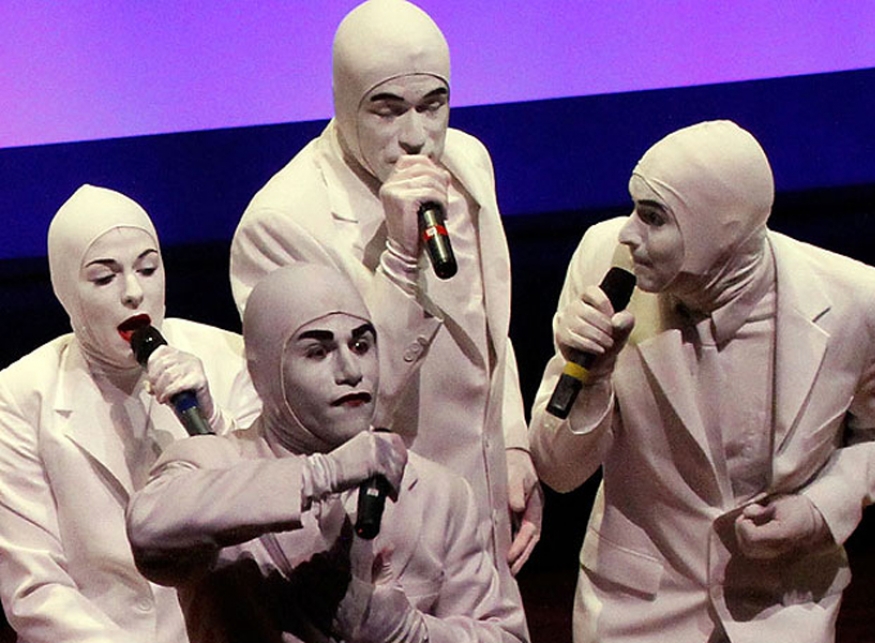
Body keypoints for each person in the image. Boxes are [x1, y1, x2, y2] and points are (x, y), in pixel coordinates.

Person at [528, 120, 875, 643]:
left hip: (784, 608)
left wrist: (819, 510)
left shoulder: (856, 301)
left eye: (653, 216)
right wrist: (592, 379)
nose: (629, 234)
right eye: (634, 208)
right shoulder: (603, 259)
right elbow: (557, 470)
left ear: (720, 229)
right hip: (634, 610)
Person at [229, 0, 540, 594]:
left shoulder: (468, 161)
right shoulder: (282, 222)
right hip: (385, 535)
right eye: (388, 110)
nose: (417, 137)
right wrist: (399, 257)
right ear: (345, 104)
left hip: (485, 520)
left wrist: (512, 444)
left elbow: (485, 331)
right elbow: (337, 406)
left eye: (433, 104)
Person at [126, 262, 531, 643]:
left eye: (361, 345)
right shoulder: (212, 463)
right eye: (318, 352)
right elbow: (149, 528)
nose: (351, 371)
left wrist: (411, 632)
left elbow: (505, 636)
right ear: (261, 373)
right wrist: (321, 475)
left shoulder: (440, 493)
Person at [0, 185, 261, 642]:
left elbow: (275, 527)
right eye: (104, 278)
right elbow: (35, 589)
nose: (134, 293)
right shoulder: (20, 395)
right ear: (66, 291)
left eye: (148, 268)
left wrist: (214, 424)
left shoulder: (227, 357)